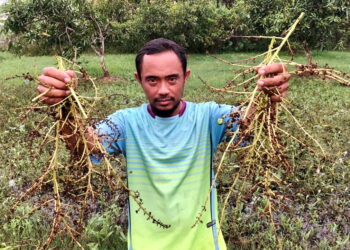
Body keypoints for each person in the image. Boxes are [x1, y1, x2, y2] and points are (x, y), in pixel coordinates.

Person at [37, 38, 290, 250]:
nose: (163, 90)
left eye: (172, 79)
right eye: (152, 80)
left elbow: (249, 124)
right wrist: (65, 111)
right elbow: (87, 147)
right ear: (139, 79)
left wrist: (268, 96)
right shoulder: (126, 123)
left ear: (185, 76)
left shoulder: (209, 117)